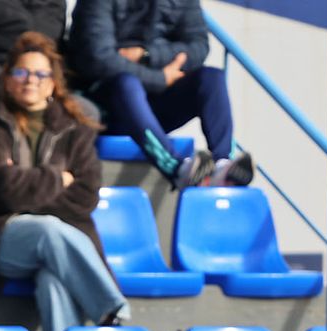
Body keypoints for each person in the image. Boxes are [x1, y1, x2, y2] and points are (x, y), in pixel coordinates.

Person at [0, 32, 127, 331]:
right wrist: (58, 178)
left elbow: (85, 197)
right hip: (4, 235)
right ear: (8, 80)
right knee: (48, 229)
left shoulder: (76, 130)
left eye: (41, 74)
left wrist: (27, 184)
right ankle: (110, 310)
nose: (31, 81)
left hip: (61, 245)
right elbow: (4, 192)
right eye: (21, 72)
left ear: (53, 83)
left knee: (53, 285)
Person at [66, 0, 251, 189]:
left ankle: (222, 165)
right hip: (109, 105)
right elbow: (99, 58)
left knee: (212, 78)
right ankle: (178, 169)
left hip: (155, 99)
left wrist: (147, 55)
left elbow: (198, 46)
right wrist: (160, 78)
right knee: (127, 84)